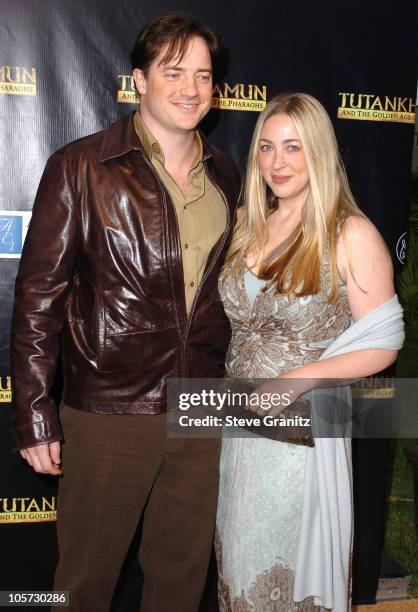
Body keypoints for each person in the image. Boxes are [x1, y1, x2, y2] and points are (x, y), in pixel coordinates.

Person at [10, 12, 241, 612]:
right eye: (173, 72)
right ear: (139, 80)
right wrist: (34, 413)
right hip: (110, 405)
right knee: (82, 582)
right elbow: (39, 298)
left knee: (179, 579)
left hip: (204, 405)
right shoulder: (82, 166)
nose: (191, 88)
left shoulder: (231, 177)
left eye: (203, 75)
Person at [215, 93, 404, 611]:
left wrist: (299, 379)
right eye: (267, 148)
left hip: (301, 438)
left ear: (318, 152)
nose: (277, 163)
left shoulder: (350, 232)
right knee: (238, 563)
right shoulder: (245, 224)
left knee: (287, 575)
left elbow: (384, 342)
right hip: (238, 429)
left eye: (293, 147)